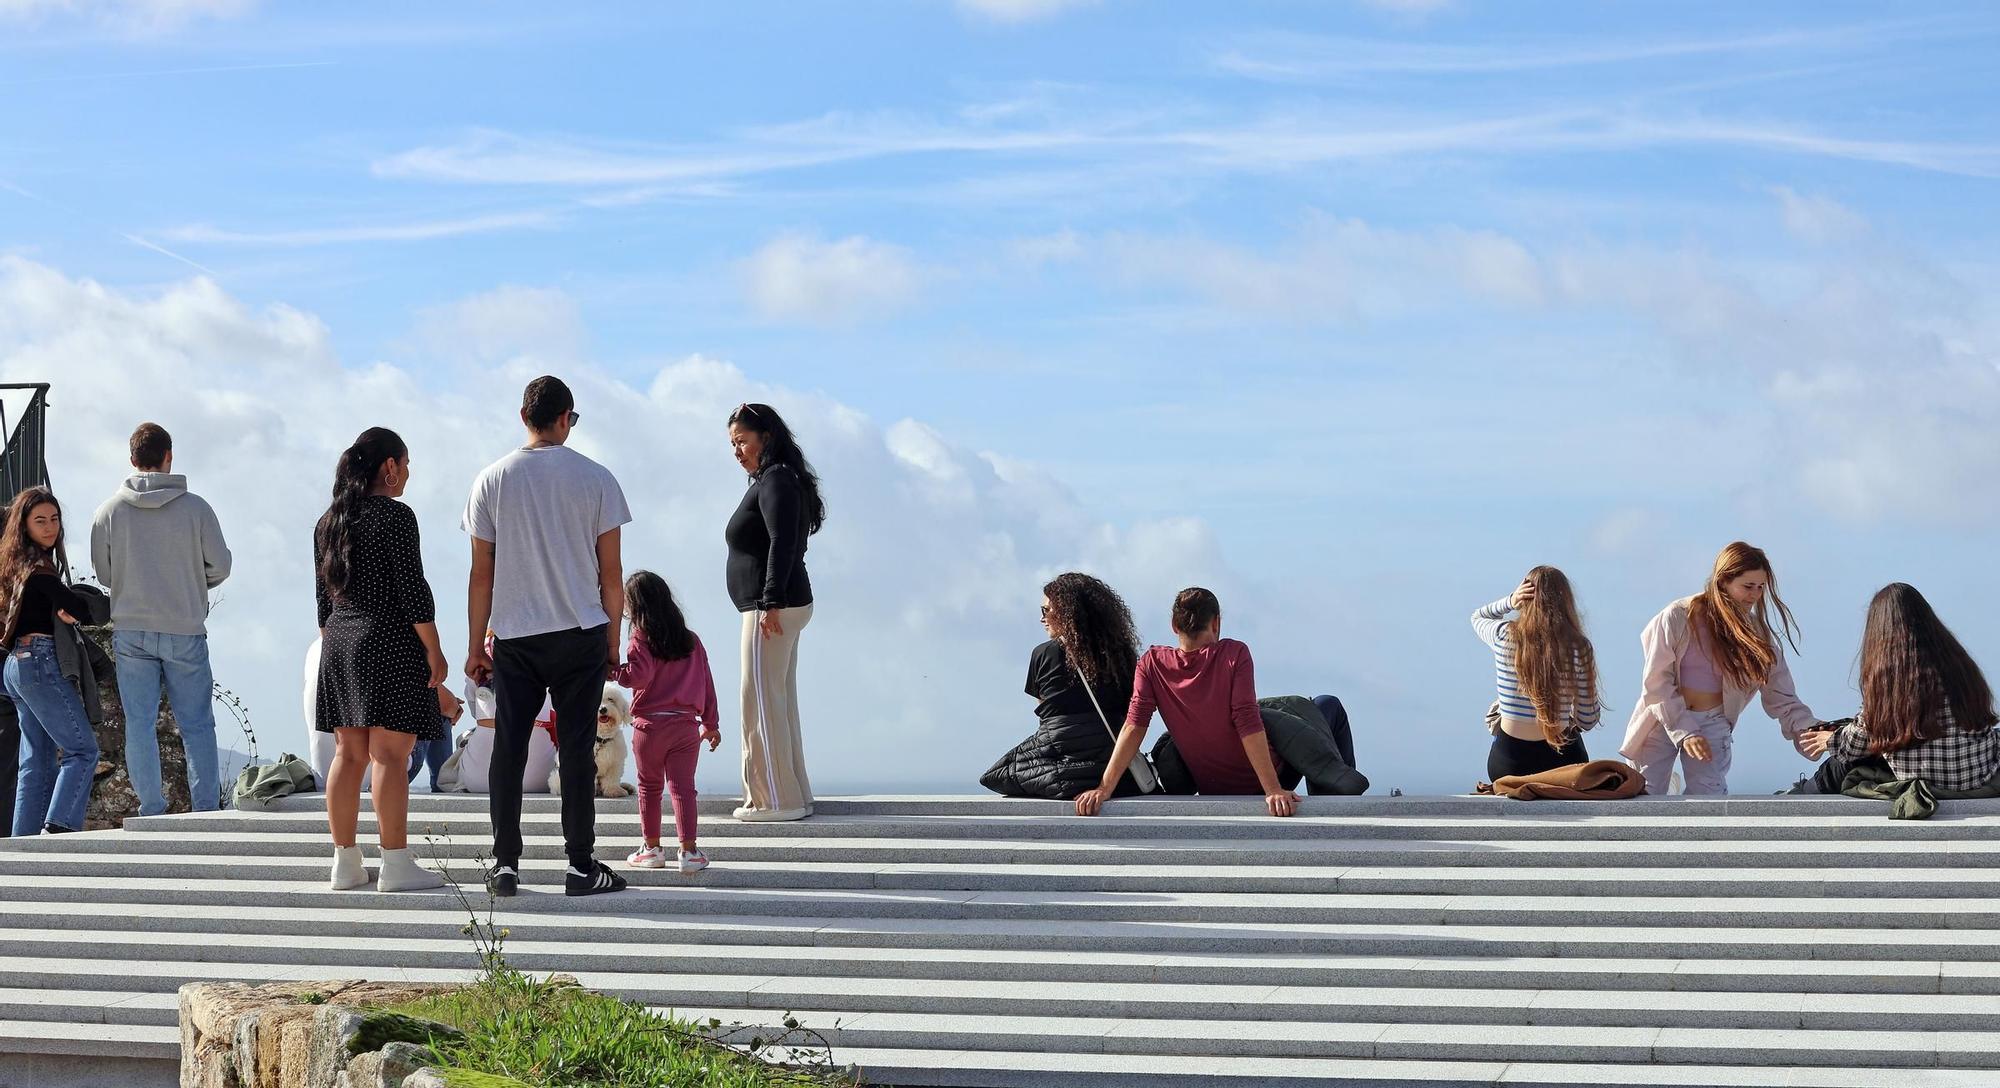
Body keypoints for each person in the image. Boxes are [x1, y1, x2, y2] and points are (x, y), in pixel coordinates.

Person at [465, 376, 631, 897]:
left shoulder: (491, 480)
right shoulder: (597, 478)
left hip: (515, 635)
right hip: (580, 632)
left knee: (509, 750)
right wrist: (611, 642)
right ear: (566, 418)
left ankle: (505, 864)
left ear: (523, 417)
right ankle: (581, 866)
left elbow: (481, 575)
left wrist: (475, 647)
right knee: (577, 749)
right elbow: (611, 572)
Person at [1075, 587, 1364, 817]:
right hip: (1266, 777)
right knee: (1328, 705)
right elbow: (1247, 721)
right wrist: (1273, 789)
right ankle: (1333, 798)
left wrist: (1103, 788)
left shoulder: (1151, 664)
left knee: (1289, 709)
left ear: (1175, 625)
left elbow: (1134, 725)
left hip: (1211, 784)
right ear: (1216, 623)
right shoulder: (1233, 654)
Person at [314, 428, 448, 893]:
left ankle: (345, 863)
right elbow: (413, 590)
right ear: (389, 468)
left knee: (348, 756)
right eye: (405, 465)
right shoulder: (396, 516)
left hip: (340, 642)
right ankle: (395, 863)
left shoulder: (328, 521)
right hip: (388, 638)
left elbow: (323, 606)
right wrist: (434, 648)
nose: (407, 474)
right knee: (390, 755)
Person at [90, 422, 233, 816]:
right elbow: (220, 566)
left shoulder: (109, 512)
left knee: (139, 724)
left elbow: (104, 575)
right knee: (197, 725)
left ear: (132, 460)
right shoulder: (197, 508)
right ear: (169, 457)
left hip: (132, 627)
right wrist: (190, 578)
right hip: (184, 626)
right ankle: (205, 810)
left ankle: (152, 807)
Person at [1619, 541, 1820, 796]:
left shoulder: (1757, 635)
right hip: (1662, 717)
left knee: (1708, 800)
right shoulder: (1677, 616)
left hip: (1713, 721)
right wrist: (1685, 731)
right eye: (1747, 586)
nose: (1755, 595)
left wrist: (1809, 730)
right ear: (1723, 581)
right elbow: (1656, 683)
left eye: (1760, 588)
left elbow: (1782, 695)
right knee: (1642, 795)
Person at [724, 402, 825, 823]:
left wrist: (769, 600)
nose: (736, 451)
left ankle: (773, 801)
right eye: (732, 443)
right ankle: (793, 794)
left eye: (742, 440)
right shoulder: (775, 479)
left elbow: (783, 543)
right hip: (776, 605)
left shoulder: (776, 479)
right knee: (776, 701)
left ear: (766, 437)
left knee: (760, 703)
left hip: (771, 608)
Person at [1798, 583, 2000, 792]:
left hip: (1924, 781)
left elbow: (1856, 743)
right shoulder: (1961, 665)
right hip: (1977, 776)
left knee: (1842, 764)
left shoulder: (1892, 679)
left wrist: (1830, 740)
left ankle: (1801, 794)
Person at [981, 573, 1144, 800]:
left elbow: (1046, 717)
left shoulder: (1043, 654)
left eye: (1046, 610)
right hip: (1113, 764)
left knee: (997, 773)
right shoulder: (1125, 656)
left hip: (1062, 765)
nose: (1042, 618)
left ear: (1069, 612)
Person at [0, 487, 102, 836]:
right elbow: (81, 609)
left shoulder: (14, 563)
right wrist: (81, 608)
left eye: (54, 519)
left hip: (16, 665)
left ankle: (21, 846)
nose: (49, 527)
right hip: (39, 662)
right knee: (83, 751)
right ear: (24, 525)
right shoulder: (40, 569)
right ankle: (58, 829)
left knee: (37, 760)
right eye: (39, 520)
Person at [611, 570, 720, 873]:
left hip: (649, 726)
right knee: (684, 789)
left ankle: (652, 850)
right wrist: (710, 723)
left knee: (649, 788)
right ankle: (689, 853)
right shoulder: (691, 641)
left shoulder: (639, 638)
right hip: (685, 726)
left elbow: (639, 676)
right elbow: (706, 683)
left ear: (635, 607)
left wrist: (615, 672)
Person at [1472, 567, 1603, 781]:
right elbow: (1587, 720)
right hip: (1561, 766)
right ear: (1567, 602)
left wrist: (1510, 600)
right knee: (1570, 736)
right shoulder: (1579, 647)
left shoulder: (1504, 635)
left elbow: (1478, 616)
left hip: (1508, 766)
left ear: (1525, 598)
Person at [408, 686, 464, 792]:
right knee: (436, 708)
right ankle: (444, 783)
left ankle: (443, 783)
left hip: (369, 768)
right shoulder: (410, 671)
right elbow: (450, 708)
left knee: (434, 701)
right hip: (391, 769)